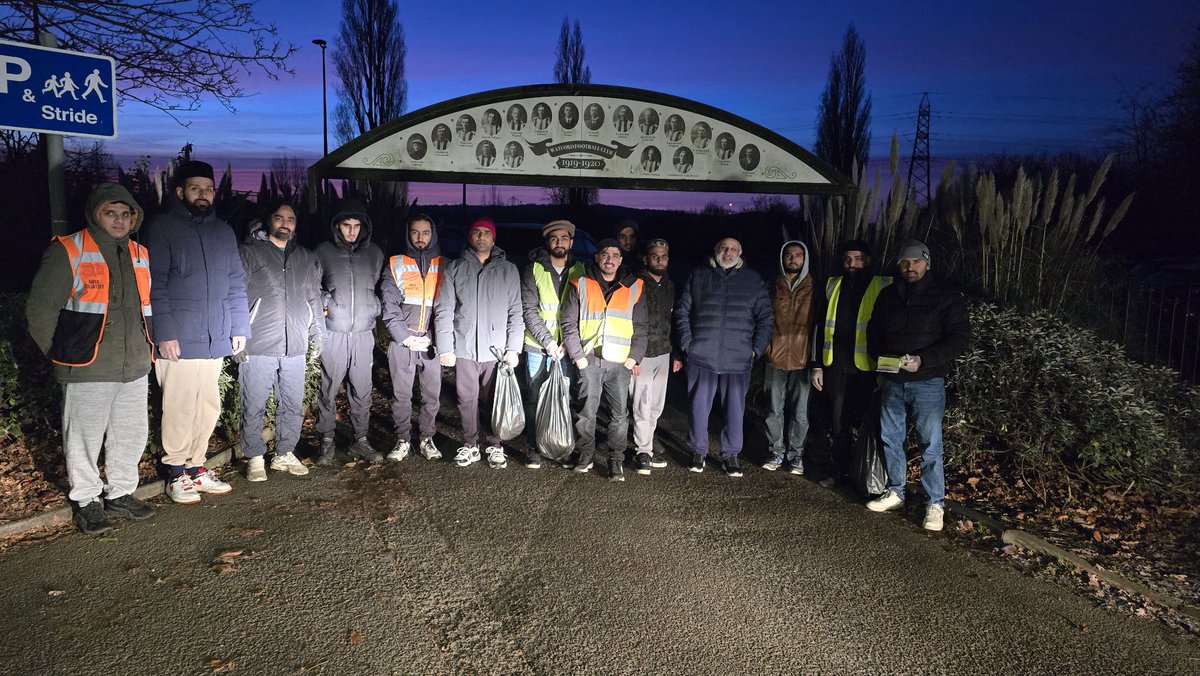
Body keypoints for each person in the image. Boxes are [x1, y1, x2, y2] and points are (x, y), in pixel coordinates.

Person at [26, 183, 157, 534]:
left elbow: (146, 308)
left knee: (130, 434)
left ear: (134, 218)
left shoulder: (140, 253)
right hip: (88, 364)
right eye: (110, 212)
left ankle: (121, 493)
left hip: (134, 364)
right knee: (84, 437)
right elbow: (39, 312)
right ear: (94, 213)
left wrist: (148, 351)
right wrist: (59, 356)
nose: (119, 219)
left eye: (125, 214)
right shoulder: (69, 250)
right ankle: (86, 500)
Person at [142, 160, 248, 503]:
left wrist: (238, 326)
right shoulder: (162, 228)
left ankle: (197, 465)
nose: (203, 194)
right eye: (195, 188)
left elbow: (235, 282)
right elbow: (154, 284)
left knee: (208, 405)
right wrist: (165, 332)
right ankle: (176, 471)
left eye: (208, 188)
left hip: (215, 335)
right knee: (179, 406)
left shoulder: (224, 232)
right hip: (179, 337)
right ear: (180, 191)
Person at [866, 241, 970, 532]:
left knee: (931, 446)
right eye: (904, 262)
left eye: (916, 262)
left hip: (927, 382)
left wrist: (924, 360)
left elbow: (959, 337)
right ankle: (896, 491)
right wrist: (880, 361)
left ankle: (935, 503)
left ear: (927, 264)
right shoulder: (888, 295)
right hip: (892, 381)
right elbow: (873, 331)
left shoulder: (946, 296)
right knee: (891, 438)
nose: (910, 267)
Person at [236, 201, 324, 482]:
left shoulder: (306, 257)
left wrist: (317, 333)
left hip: (294, 345)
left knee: (291, 404)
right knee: (254, 404)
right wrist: (237, 335)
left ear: (296, 224)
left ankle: (284, 453)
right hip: (258, 343)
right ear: (269, 221)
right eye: (279, 218)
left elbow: (314, 296)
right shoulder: (249, 252)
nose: (285, 223)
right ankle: (255, 457)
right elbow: (235, 295)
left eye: (291, 219)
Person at [675, 237, 773, 477]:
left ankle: (731, 455)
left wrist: (755, 349)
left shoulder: (753, 280)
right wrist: (688, 344)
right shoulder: (699, 276)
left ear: (740, 253)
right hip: (702, 357)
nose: (727, 252)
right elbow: (682, 311)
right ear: (716, 250)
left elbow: (766, 318)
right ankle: (698, 451)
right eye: (723, 248)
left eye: (733, 249)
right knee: (699, 407)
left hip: (737, 359)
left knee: (735, 410)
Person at [434, 218, 524, 470]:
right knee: (466, 398)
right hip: (464, 347)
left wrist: (513, 348)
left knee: (495, 399)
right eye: (477, 232)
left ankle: (495, 445)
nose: (482, 236)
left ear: (494, 239)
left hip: (496, 351)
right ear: (470, 237)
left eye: (487, 233)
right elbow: (444, 309)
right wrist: (445, 347)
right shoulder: (455, 268)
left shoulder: (508, 270)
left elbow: (516, 311)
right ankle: (471, 444)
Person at [561, 239, 648, 482]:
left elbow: (642, 326)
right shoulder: (580, 284)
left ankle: (615, 460)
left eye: (614, 255)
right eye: (605, 254)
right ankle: (586, 454)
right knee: (586, 412)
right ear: (597, 257)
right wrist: (578, 357)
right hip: (589, 361)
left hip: (620, 364)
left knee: (619, 416)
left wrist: (633, 358)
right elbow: (568, 324)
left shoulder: (635, 286)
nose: (609, 259)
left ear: (621, 260)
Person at [811, 239, 890, 484]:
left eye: (858, 259)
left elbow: (891, 330)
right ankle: (839, 473)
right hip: (836, 366)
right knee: (839, 423)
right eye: (848, 259)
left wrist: (884, 370)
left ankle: (866, 477)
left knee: (868, 423)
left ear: (868, 260)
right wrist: (816, 364)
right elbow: (818, 325)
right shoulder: (832, 285)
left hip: (869, 369)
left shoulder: (883, 285)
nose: (852, 264)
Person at [314, 200, 386, 465]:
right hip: (334, 331)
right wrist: (326, 303)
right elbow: (313, 286)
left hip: (363, 334)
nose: (352, 231)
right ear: (337, 226)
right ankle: (326, 441)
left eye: (357, 226)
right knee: (329, 388)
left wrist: (374, 307)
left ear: (364, 228)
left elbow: (377, 287)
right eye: (347, 225)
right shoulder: (322, 251)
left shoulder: (375, 253)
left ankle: (360, 440)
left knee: (362, 390)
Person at [519, 220, 585, 467]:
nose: (560, 243)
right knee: (535, 397)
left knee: (563, 398)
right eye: (554, 239)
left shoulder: (581, 270)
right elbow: (529, 310)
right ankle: (533, 447)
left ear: (571, 242)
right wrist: (548, 342)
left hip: (567, 349)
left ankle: (560, 444)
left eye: (564, 238)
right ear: (548, 243)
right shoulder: (533, 269)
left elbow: (584, 312)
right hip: (538, 347)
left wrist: (569, 343)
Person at [381, 214, 445, 463]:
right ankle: (403, 438)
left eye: (425, 233)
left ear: (433, 234)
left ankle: (427, 438)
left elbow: (448, 307)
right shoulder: (395, 263)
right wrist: (403, 337)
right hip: (403, 343)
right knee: (401, 395)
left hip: (430, 343)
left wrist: (436, 339)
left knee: (432, 395)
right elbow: (389, 302)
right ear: (408, 234)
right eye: (415, 232)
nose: (420, 237)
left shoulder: (445, 265)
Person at [762, 240, 818, 474]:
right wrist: (765, 346)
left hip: (803, 358)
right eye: (788, 255)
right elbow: (762, 316)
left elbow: (819, 324)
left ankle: (796, 456)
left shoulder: (816, 286)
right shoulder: (772, 285)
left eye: (797, 255)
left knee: (801, 412)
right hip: (775, 356)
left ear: (805, 259)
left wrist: (816, 359)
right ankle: (776, 451)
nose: (793, 259)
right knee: (774, 409)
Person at [628, 238, 682, 475]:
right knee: (642, 404)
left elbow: (673, 320)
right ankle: (642, 452)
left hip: (664, 353)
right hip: (642, 355)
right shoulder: (635, 283)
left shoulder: (669, 284)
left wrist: (676, 353)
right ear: (645, 258)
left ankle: (647, 447)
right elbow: (626, 321)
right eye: (655, 256)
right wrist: (633, 355)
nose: (659, 260)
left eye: (664, 256)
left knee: (656, 406)